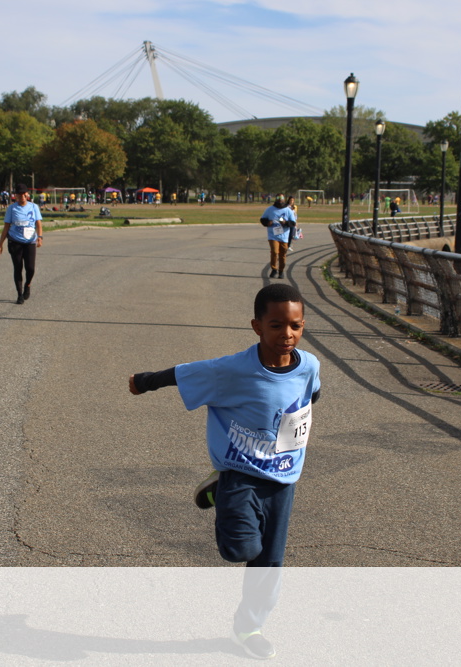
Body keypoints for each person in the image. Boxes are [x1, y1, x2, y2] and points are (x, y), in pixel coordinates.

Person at [128, 283, 321, 660]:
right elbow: (183, 374)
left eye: (295, 326)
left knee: (269, 565)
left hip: (284, 478)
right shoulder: (232, 370)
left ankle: (248, 628)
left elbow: (312, 393)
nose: (287, 334)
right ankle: (222, 488)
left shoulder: (310, 365)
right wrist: (144, 382)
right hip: (242, 473)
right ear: (257, 326)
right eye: (276, 325)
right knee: (240, 549)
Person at [0, 184, 44, 304]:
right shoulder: (12, 208)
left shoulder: (34, 207)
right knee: (18, 268)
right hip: (15, 241)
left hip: (30, 241)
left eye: (24, 194)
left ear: (27, 194)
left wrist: (40, 237)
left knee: (30, 268)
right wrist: (0, 244)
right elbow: (6, 227)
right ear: (16, 196)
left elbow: (38, 224)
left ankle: (28, 284)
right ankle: (19, 294)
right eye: (19, 194)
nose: (22, 196)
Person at [260, 194, 296, 279]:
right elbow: (262, 219)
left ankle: (281, 271)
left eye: (282, 198)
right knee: (274, 252)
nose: (280, 199)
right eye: (278, 198)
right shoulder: (270, 209)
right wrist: (267, 222)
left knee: (282, 254)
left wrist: (285, 223)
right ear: (275, 199)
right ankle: (274, 269)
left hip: (284, 236)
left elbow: (293, 223)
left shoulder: (288, 210)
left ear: (284, 199)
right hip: (273, 235)